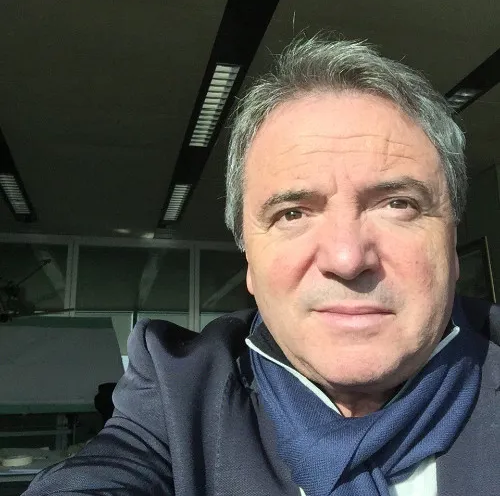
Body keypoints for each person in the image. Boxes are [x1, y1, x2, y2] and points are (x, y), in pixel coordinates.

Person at [24, 36, 500, 496]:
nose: (347, 259)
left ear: (451, 242)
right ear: (249, 261)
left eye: (398, 204)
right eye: (292, 213)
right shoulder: (178, 393)